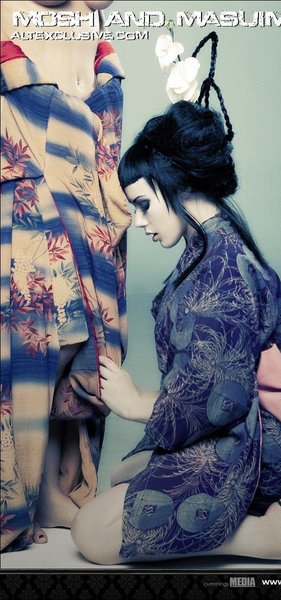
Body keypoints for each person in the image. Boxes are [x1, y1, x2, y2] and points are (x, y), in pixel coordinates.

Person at [70, 32, 281, 568]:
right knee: (127, 474)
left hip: (266, 443)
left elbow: (220, 400)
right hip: (269, 430)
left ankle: (279, 537)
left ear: (177, 182)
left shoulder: (220, 275)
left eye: (144, 204)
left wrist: (134, 401)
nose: (140, 222)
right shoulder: (217, 243)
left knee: (92, 534)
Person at [0, 1, 131, 551]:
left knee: (81, 340)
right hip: (30, 187)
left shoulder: (88, 14)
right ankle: (19, 493)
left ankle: (50, 486)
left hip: (89, 194)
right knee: (41, 339)